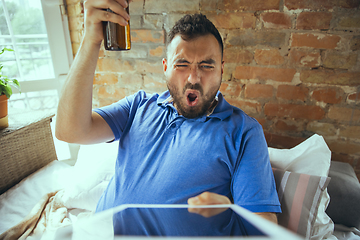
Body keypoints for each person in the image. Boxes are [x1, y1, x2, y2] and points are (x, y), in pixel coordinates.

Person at [55, 0, 281, 224]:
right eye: (182, 65)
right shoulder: (138, 105)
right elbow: (69, 131)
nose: (193, 78)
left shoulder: (244, 132)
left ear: (222, 68)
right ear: (165, 67)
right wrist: (90, 41)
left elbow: (265, 227)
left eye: (206, 65)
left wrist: (229, 209)